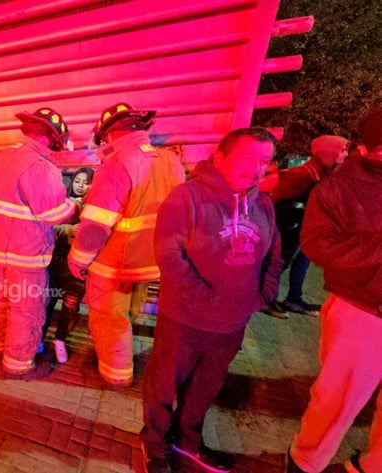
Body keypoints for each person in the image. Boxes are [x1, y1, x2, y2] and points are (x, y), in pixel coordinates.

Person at [141, 127, 282, 473]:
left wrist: (262, 295)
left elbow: (274, 254)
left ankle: (189, 442)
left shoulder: (262, 204)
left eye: (264, 161)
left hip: (233, 324)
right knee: (163, 387)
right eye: (248, 159)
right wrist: (206, 300)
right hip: (184, 320)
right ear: (220, 157)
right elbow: (170, 257)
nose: (257, 168)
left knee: (205, 388)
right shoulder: (186, 198)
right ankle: (155, 446)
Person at [286, 108, 382, 473]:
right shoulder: (338, 188)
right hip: (362, 311)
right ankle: (305, 461)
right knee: (336, 400)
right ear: (366, 149)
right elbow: (318, 245)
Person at [67, 102, 185, 386]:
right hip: (154, 262)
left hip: (116, 266)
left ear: (108, 135)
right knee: (130, 314)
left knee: (110, 320)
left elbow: (95, 227)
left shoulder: (117, 164)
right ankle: (124, 361)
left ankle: (115, 375)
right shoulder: (170, 161)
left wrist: (77, 261)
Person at [0, 107, 76, 379]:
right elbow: (54, 213)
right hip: (25, 255)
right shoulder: (39, 165)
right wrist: (75, 206)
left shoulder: (0, 158)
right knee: (26, 310)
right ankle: (19, 362)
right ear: (48, 137)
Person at [260, 135, 348, 319]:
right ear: (328, 152)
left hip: (302, 231)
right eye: (342, 150)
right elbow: (273, 202)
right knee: (279, 263)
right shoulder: (300, 175)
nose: (346, 155)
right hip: (288, 230)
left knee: (300, 262)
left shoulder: (321, 175)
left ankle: (293, 298)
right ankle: (265, 299)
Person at [43, 167, 94, 364]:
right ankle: (39, 339)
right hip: (57, 262)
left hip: (79, 265)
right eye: (78, 181)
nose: (80, 186)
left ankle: (60, 340)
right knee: (48, 302)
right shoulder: (62, 203)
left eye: (86, 182)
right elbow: (48, 226)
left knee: (70, 307)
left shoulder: (94, 208)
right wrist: (69, 230)